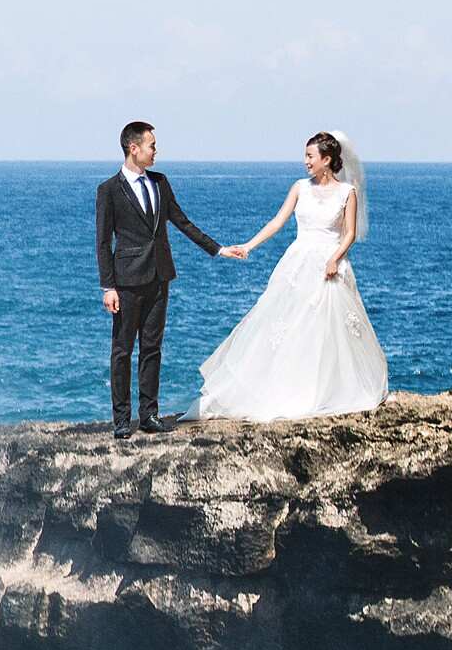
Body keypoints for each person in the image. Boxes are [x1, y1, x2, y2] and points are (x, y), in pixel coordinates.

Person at [195, 130, 389, 421]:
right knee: (291, 327)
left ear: (327, 159)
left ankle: (328, 389)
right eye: (306, 156)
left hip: (329, 264)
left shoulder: (347, 192)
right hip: (299, 263)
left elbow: (349, 234)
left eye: (311, 156)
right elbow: (277, 222)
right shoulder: (300, 187)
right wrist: (248, 245)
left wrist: (334, 259)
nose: (306, 161)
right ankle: (290, 388)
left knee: (328, 330)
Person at [95, 121, 225, 438]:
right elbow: (102, 242)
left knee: (152, 348)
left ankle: (149, 414)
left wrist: (217, 249)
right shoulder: (109, 190)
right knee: (122, 350)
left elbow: (181, 221)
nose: (156, 150)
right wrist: (108, 286)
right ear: (133, 148)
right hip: (126, 281)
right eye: (152, 145)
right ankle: (122, 420)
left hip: (159, 276)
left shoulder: (160, 182)